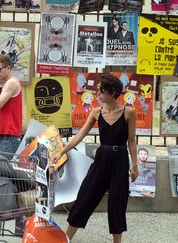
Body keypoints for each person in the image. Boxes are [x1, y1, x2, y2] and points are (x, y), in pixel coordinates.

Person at [53, 74, 139, 243]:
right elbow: (79, 136)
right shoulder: (95, 112)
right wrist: (61, 152)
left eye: (101, 91)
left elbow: (132, 141)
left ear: (112, 92)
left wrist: (135, 166)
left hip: (120, 160)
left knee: (117, 203)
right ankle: (66, 239)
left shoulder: (129, 112)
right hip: (102, 159)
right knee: (85, 196)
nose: (98, 93)